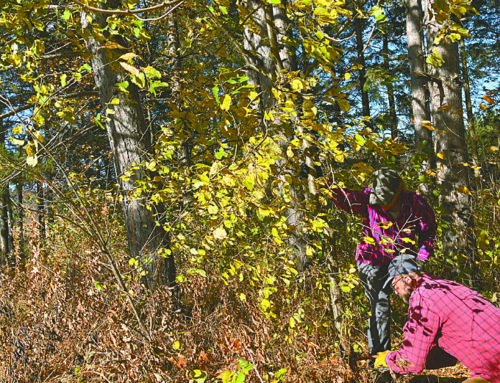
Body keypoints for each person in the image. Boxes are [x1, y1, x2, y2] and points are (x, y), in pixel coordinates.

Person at [326, 167, 437, 357]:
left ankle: (423, 346)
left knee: (416, 291)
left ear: (398, 192)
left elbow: (429, 232)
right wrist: (324, 183)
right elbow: (344, 199)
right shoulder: (367, 199)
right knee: (378, 305)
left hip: (402, 256)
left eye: (386, 200)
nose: (382, 205)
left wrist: (420, 261)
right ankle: (380, 359)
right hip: (371, 256)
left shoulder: (415, 203)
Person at [374, 254, 500, 382]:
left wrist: (388, 360)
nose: (395, 292)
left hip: (493, 370)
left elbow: (412, 362)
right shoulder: (445, 285)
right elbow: (447, 357)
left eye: (394, 285)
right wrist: (399, 355)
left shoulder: (422, 298)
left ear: (406, 279)